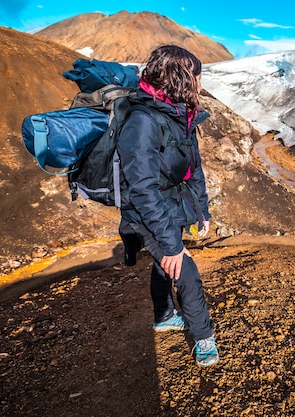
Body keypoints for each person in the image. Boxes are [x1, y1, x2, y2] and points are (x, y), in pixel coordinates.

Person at [116, 45, 218, 367]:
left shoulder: (180, 113)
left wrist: (202, 210)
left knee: (163, 265)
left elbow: (194, 167)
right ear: (182, 78)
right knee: (183, 268)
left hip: (168, 203)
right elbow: (143, 189)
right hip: (143, 211)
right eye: (197, 77)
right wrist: (173, 246)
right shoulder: (142, 121)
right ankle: (203, 337)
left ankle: (162, 316)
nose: (200, 85)